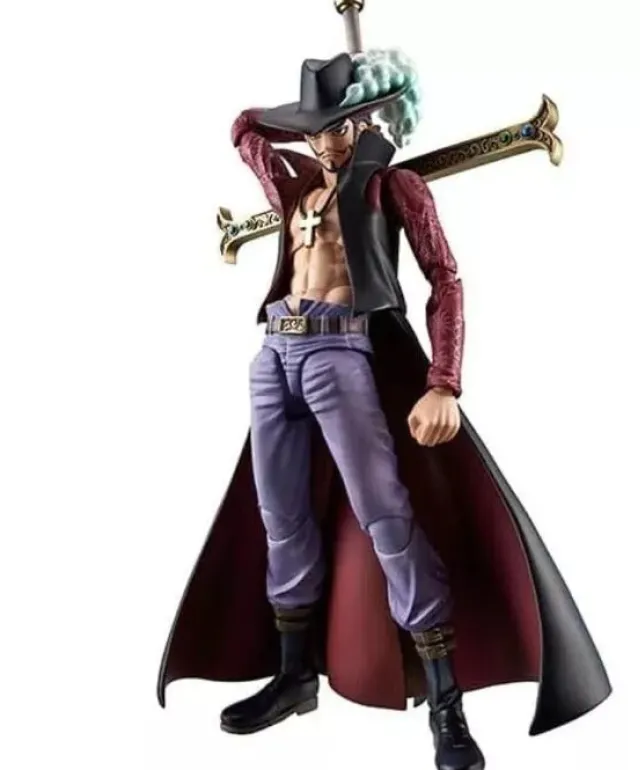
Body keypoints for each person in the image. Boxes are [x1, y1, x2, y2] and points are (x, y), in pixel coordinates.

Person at [157, 50, 610, 770]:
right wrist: (309, 109)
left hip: (340, 353)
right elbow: (243, 130)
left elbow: (445, 279)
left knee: (387, 521)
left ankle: (445, 703)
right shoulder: (294, 187)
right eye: (313, 129)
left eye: (338, 127)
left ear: (368, 122)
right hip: (274, 355)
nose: (324, 142)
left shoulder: (391, 186)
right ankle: (295, 676)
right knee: (281, 518)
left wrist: (444, 381)